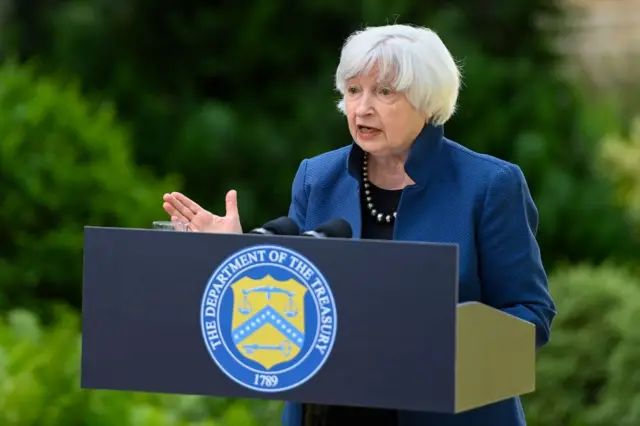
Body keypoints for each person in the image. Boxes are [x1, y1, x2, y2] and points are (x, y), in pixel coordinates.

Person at [162, 24, 556, 426]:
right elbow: (293, 301)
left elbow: (531, 314)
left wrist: (446, 341)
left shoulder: (489, 185)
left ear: (426, 100)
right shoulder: (318, 178)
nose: (362, 108)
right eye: (353, 90)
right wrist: (240, 258)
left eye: (384, 92)